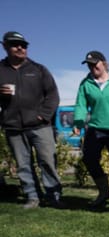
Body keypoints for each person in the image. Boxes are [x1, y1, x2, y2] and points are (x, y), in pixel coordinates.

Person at [0, 31, 62, 209]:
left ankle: (54, 196)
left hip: (40, 125)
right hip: (13, 126)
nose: (20, 48)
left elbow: (52, 95)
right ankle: (32, 196)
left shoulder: (38, 69)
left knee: (48, 161)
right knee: (23, 164)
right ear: (5, 46)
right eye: (15, 44)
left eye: (24, 45)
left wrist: (43, 115)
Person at [73, 50, 109, 209]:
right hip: (95, 128)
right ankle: (104, 191)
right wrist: (78, 123)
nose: (92, 68)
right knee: (89, 159)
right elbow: (81, 105)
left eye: (95, 64)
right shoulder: (86, 84)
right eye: (89, 65)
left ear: (104, 63)